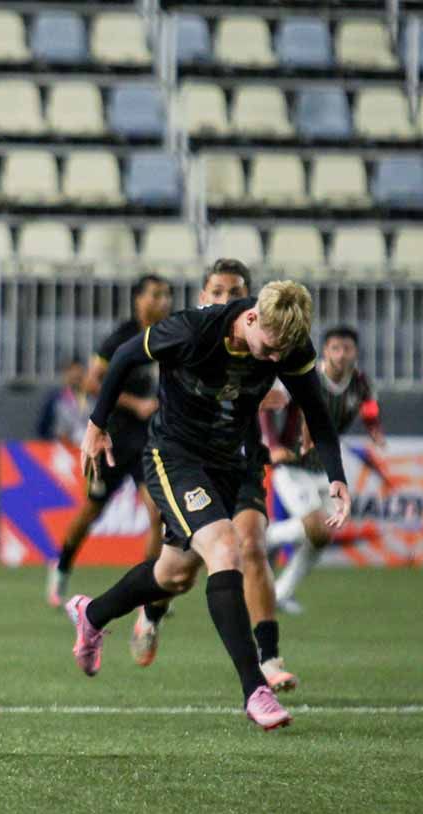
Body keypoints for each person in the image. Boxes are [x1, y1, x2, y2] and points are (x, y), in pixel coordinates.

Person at [67, 280, 351, 730]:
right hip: (173, 455)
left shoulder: (287, 344)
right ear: (252, 318)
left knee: (174, 575)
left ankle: (91, 614)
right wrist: (95, 426)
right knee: (225, 548)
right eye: (269, 349)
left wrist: (337, 476)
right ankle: (255, 688)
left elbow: (316, 411)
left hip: (226, 462)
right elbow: (124, 356)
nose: (273, 360)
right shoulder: (193, 330)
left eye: (281, 354)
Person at [127, 259, 301, 692]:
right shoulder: (196, 337)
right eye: (217, 292)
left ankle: (268, 657)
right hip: (194, 462)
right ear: (203, 297)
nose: (226, 299)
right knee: (181, 572)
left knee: (251, 545)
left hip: (242, 460)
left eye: (235, 292)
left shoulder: (263, 340)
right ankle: (151, 611)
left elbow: (292, 389)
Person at [45, 275, 172, 607]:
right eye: (156, 295)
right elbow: (91, 383)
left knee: (157, 514)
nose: (163, 301)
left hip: (150, 440)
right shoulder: (120, 339)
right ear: (138, 300)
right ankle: (61, 569)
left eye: (166, 295)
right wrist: (136, 404)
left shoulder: (171, 336)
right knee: (90, 511)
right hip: (113, 440)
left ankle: (149, 591)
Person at [262, 325, 385, 614]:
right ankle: (257, 539)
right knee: (315, 526)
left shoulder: (361, 383)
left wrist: (374, 429)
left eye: (347, 349)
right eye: (335, 348)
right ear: (325, 351)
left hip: (324, 469)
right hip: (292, 466)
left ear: (356, 352)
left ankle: (280, 593)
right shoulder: (305, 377)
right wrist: (272, 444)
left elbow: (369, 408)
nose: (341, 355)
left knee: (323, 535)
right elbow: (266, 407)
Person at [36, 359, 88, 446]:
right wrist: (53, 439)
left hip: (84, 447)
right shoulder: (55, 399)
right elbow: (43, 427)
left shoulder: (90, 398)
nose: (76, 379)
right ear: (66, 375)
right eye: (73, 376)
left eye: (79, 377)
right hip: (60, 447)